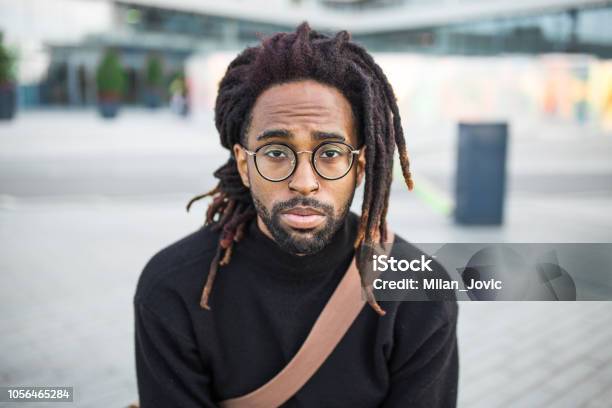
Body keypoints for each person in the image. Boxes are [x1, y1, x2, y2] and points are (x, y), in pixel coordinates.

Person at [134, 22, 458, 407]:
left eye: (330, 153)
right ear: (243, 164)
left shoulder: (420, 294)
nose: (304, 182)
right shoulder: (174, 289)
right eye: (275, 153)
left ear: (361, 165)